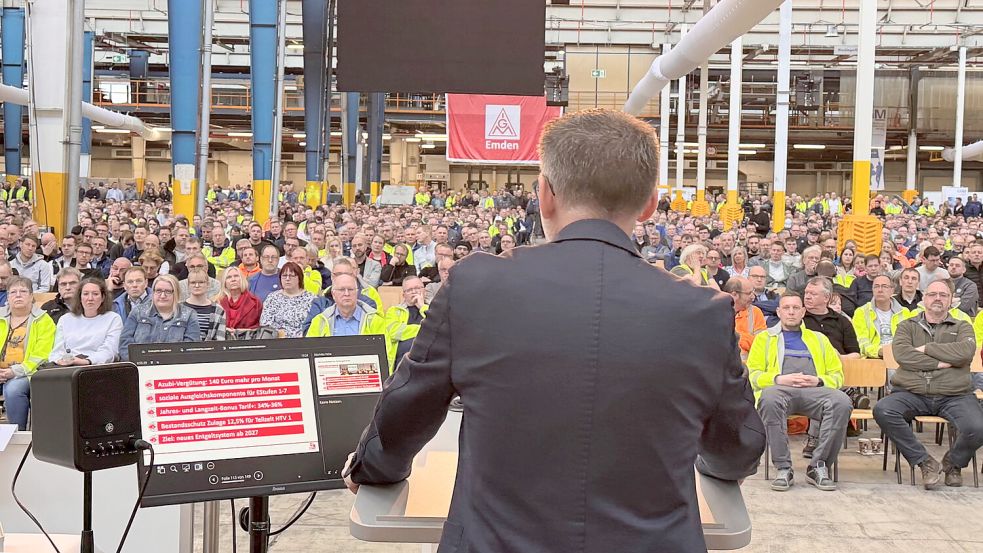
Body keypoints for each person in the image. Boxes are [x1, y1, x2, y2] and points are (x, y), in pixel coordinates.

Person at [342, 109, 765, 553]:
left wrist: (373, 468)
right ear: (650, 203)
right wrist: (713, 466)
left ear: (544, 195)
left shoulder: (476, 285)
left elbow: (407, 410)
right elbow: (738, 445)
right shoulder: (703, 311)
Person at [874, 279, 983, 489]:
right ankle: (925, 462)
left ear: (951, 301)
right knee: (883, 410)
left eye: (943, 295)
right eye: (933, 294)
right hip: (911, 392)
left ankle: (953, 464)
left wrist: (926, 348)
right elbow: (903, 356)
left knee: (978, 427)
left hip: (955, 394)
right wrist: (943, 362)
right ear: (923, 299)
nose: (938, 299)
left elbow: (965, 353)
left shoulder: (962, 326)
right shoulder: (907, 325)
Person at [748, 292, 852, 492]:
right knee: (769, 399)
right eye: (786, 308)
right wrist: (778, 379)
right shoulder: (764, 339)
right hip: (779, 391)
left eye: (796, 308)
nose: (791, 312)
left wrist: (818, 380)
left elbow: (837, 375)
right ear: (778, 312)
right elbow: (753, 375)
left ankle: (818, 466)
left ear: (803, 312)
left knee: (842, 401)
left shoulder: (819, 339)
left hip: (814, 391)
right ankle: (783, 467)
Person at [0, 276, 55, 430]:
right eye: (13, 292)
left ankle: (18, 435)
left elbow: (42, 355)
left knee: (13, 389)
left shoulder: (43, 320)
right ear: (8, 297)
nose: (18, 295)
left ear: (31, 296)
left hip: (28, 374)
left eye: (23, 291)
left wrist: (13, 372)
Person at [306, 272, 391, 358]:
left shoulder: (375, 320)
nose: (346, 294)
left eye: (350, 289)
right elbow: (309, 353)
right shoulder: (319, 321)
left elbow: (386, 355)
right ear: (333, 294)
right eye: (342, 289)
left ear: (357, 293)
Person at [120, 274, 200, 361]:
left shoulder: (189, 314)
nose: (162, 296)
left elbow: (191, 348)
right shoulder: (138, 312)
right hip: (140, 368)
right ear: (153, 292)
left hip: (175, 369)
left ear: (176, 293)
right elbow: (125, 343)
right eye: (158, 291)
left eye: (168, 291)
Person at [48, 277, 123, 366]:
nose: (90, 298)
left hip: (97, 367)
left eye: (95, 294)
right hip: (68, 366)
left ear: (103, 298)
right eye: (85, 294)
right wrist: (60, 360)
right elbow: (57, 351)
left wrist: (86, 361)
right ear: (80, 297)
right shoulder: (65, 319)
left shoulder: (113, 319)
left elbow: (110, 351)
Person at [260, 262, 316, 338]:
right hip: (277, 341)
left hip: (303, 341)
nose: (287, 279)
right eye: (284, 276)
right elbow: (265, 323)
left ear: (299, 278)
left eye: (291, 276)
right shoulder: (272, 297)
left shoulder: (311, 298)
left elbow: (314, 325)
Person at [725, 276, 766, 354]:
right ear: (734, 295)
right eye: (749, 293)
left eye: (753, 292)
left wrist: (737, 336)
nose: (753, 296)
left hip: (747, 365)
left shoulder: (755, 312)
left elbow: (762, 345)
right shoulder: (717, 313)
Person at [183, 270, 228, 341]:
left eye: (201, 282)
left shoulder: (218, 310)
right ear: (188, 285)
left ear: (208, 284)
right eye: (193, 282)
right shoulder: (178, 308)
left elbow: (220, 339)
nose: (197, 285)